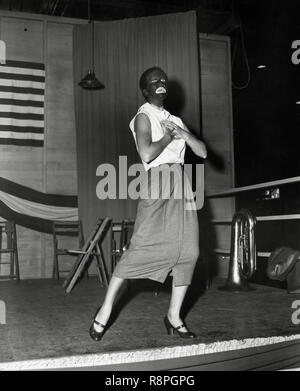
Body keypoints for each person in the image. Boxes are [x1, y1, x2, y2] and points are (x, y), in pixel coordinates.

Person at [89, 66, 207, 341]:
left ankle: (173, 317)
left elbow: (200, 151)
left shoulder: (175, 118)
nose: (161, 82)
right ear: (146, 90)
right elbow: (147, 152)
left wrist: (182, 132)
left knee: (189, 251)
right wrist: (168, 136)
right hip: (157, 180)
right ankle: (105, 310)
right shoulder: (143, 116)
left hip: (181, 183)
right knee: (140, 246)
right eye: (154, 81)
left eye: (163, 79)